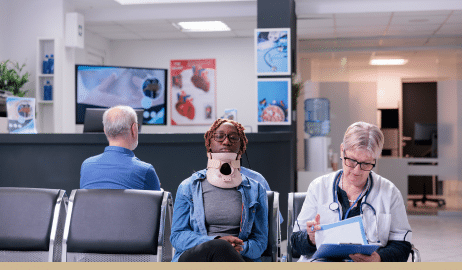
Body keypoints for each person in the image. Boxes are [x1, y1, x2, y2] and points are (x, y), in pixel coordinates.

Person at [291, 122, 412, 262]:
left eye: (366, 163)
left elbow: (402, 244)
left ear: (375, 159)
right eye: (352, 161)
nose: (356, 171)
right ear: (342, 151)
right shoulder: (318, 187)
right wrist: (310, 239)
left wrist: (379, 258)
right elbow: (295, 243)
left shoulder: (390, 193)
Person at [170, 119, 268, 262]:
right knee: (220, 247)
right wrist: (216, 241)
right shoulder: (188, 187)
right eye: (219, 136)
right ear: (209, 143)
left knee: (224, 251)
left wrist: (241, 247)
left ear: (241, 146)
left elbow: (260, 242)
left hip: (239, 256)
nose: (226, 142)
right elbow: (177, 236)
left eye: (233, 137)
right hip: (197, 257)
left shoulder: (256, 189)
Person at [80, 105, 161, 190]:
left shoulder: (86, 166)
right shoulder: (145, 171)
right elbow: (157, 202)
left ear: (105, 130)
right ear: (134, 129)